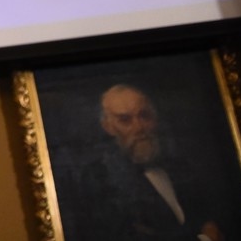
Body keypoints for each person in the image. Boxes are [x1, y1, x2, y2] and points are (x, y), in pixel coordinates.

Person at [71, 84, 226, 241]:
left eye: (144, 116)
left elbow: (207, 217)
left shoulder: (178, 167)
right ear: (108, 127)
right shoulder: (99, 177)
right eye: (125, 120)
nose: (139, 127)